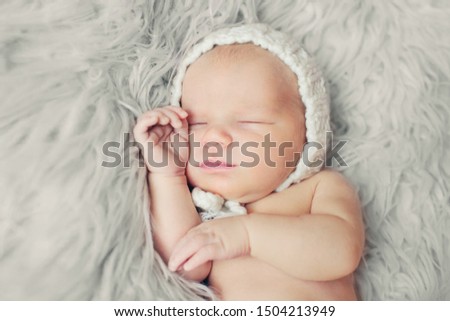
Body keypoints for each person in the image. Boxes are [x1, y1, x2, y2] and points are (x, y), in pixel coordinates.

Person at [133, 24, 364, 300]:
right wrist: (167, 175)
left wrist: (245, 236)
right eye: (198, 123)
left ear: (308, 133)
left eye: (248, 122)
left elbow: (339, 252)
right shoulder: (202, 208)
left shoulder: (318, 188)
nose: (214, 136)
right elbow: (182, 266)